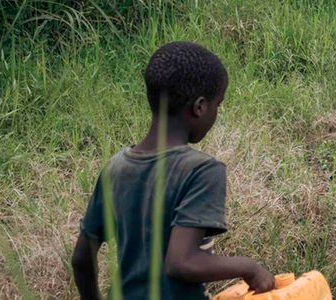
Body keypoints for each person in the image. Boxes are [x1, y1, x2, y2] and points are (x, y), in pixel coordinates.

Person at [71, 41, 275, 300]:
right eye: (218, 104)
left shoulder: (116, 167)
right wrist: (249, 267)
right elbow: (181, 262)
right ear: (200, 107)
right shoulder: (201, 171)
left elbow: (81, 258)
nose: (216, 113)